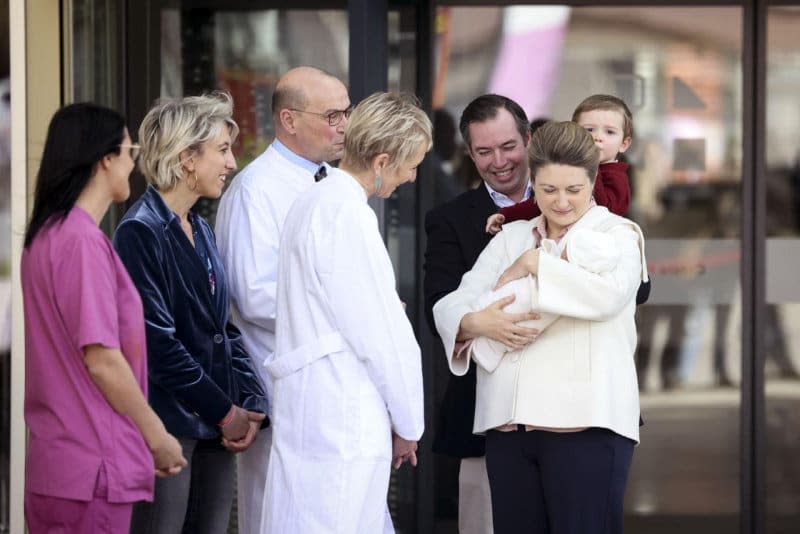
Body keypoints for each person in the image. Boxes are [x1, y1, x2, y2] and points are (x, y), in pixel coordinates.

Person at [422, 94, 633, 534]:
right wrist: (478, 322)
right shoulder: (511, 235)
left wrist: (535, 265)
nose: (560, 203)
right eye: (549, 189)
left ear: (594, 181)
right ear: (534, 181)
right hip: (507, 426)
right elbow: (455, 302)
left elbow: (606, 297)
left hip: (584, 424)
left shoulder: (618, 234)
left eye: (574, 190)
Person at [261, 92, 429, 534]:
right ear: (382, 160)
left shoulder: (312, 202)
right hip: (341, 410)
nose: (412, 178)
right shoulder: (347, 216)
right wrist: (409, 421)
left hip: (313, 406)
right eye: (411, 165)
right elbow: (380, 333)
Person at [21, 103, 186, 533]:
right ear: (105, 158)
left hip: (57, 467)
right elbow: (102, 357)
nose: (134, 164)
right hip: (92, 469)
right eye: (130, 150)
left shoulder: (44, 238)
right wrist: (156, 436)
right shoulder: (81, 243)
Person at [113, 93, 268, 534]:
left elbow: (223, 329)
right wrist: (226, 411)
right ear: (186, 158)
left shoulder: (200, 227)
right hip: (169, 429)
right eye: (222, 150)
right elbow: (157, 344)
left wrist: (250, 402)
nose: (231, 163)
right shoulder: (139, 232)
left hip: (215, 432)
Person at [215, 66, 350, 534]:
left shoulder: (332, 181)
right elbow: (253, 295)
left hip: (330, 384)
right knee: (278, 513)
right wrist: (349, 311)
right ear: (289, 120)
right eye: (332, 115)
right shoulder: (254, 190)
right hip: (280, 385)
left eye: (346, 113)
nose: (344, 126)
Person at [485, 94, 633, 233]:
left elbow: (606, 211)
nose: (597, 137)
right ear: (573, 133)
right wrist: (507, 215)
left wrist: (592, 162)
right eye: (589, 130)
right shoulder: (565, 167)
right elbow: (542, 204)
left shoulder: (617, 177)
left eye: (609, 132)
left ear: (624, 144)